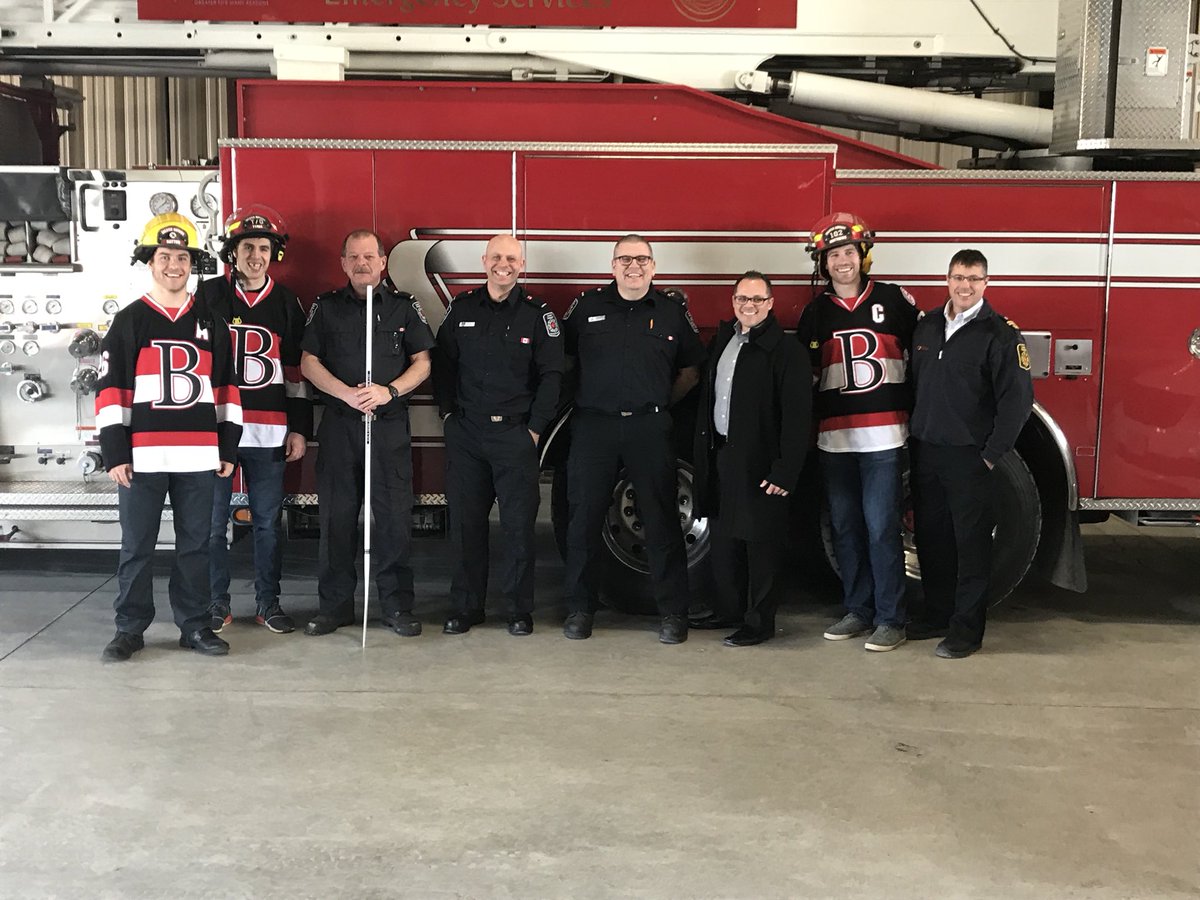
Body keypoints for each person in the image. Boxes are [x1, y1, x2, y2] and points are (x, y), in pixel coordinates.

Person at [96, 213, 243, 661]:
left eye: (182, 256)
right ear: (150, 261)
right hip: (142, 456)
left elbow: (226, 389)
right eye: (165, 256)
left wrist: (228, 447)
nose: (174, 265)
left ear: (192, 263)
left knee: (196, 545)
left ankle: (194, 625)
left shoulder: (212, 321)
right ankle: (130, 628)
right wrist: (115, 452)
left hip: (199, 455)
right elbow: (111, 389)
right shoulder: (129, 320)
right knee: (136, 544)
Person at [561, 234, 705, 644]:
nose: (633, 266)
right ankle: (580, 609)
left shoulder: (671, 312)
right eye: (625, 259)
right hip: (594, 427)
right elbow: (564, 362)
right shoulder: (586, 308)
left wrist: (659, 403)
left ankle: (674, 614)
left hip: (649, 428)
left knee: (661, 521)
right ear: (612, 266)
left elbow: (691, 370)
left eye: (642, 259)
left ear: (653, 267)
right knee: (583, 521)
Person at [299, 229, 434, 637]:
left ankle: (396, 607)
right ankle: (335, 608)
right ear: (343, 263)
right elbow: (308, 362)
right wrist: (345, 393)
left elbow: (423, 362)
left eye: (369, 256)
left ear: (382, 261)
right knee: (337, 519)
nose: (362, 264)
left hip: (388, 427)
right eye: (353, 257)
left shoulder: (404, 307)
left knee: (393, 520)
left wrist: (388, 391)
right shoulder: (325, 308)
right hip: (341, 428)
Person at [797, 212, 919, 652]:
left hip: (886, 438)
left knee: (881, 527)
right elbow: (808, 379)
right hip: (836, 439)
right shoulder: (815, 313)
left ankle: (891, 619)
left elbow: (922, 357)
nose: (842, 261)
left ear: (863, 254)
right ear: (823, 263)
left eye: (848, 251)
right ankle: (859, 609)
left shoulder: (894, 299)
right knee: (846, 527)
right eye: (833, 255)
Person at [433, 234, 564, 636]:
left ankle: (517, 611)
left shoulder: (538, 315)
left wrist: (535, 429)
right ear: (483, 260)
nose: (502, 264)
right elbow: (443, 363)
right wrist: (449, 415)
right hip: (467, 434)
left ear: (521, 265)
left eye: (510, 258)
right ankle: (465, 608)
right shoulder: (463, 308)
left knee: (518, 529)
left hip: (515, 436)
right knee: (466, 528)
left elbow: (553, 375)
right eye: (496, 257)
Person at [908, 249, 1034, 658]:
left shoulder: (1001, 334)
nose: (965, 285)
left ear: (986, 283)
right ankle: (936, 614)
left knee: (970, 547)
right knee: (932, 540)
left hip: (969, 457)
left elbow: (1017, 402)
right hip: (926, 451)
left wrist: (990, 455)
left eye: (974, 278)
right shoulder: (926, 326)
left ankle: (966, 631)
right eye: (959, 277)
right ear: (947, 279)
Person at [199, 206, 312, 636]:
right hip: (215, 433)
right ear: (233, 251)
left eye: (264, 248)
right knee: (212, 525)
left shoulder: (286, 303)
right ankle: (216, 603)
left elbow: (297, 372)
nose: (256, 255)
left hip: (268, 431)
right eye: (248, 247)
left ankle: (268, 602)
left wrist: (300, 428)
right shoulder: (208, 296)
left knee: (267, 523)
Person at [692, 271, 812, 646]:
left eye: (757, 300)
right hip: (723, 454)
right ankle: (728, 610)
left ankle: (759, 622)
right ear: (733, 302)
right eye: (742, 299)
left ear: (771, 304)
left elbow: (798, 417)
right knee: (726, 538)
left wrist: (785, 471)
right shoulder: (725, 340)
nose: (749, 306)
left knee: (760, 543)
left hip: (763, 463)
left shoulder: (786, 351)